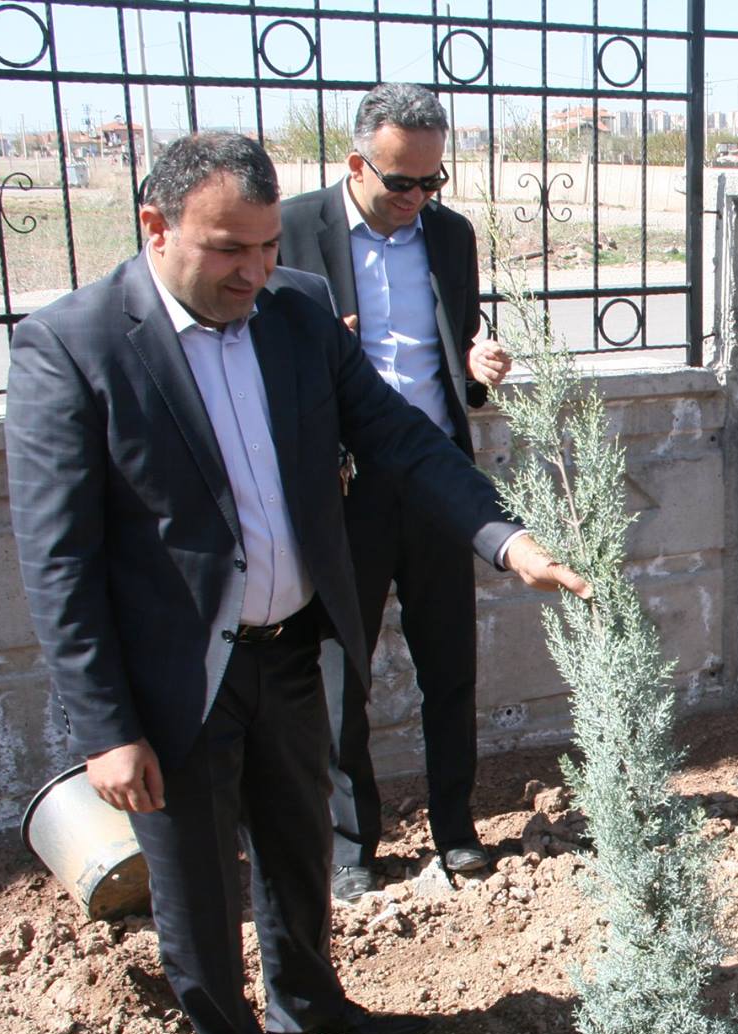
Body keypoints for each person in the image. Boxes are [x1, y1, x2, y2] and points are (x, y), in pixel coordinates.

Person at [5, 132, 586, 1034]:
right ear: (155, 227)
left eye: (270, 247)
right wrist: (107, 728)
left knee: (297, 845)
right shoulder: (75, 343)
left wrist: (503, 537)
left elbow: (399, 437)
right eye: (231, 249)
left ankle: (308, 1003)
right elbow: (60, 561)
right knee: (196, 883)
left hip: (289, 645)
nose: (256, 271)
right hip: (174, 679)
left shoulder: (297, 316)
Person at [276, 83, 512, 901]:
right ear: (355, 165)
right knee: (345, 674)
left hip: (436, 475)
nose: (418, 199)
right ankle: (351, 844)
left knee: (449, 661)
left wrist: (479, 374)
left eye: (432, 182)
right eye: (401, 182)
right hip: (343, 487)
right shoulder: (294, 232)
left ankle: (455, 829)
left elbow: (458, 352)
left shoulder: (448, 236)